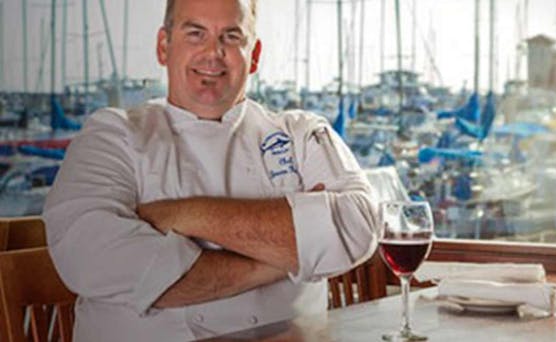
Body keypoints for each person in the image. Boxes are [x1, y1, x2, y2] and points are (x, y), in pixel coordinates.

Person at [42, 0, 379, 340]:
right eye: (195, 33)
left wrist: (185, 214)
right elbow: (93, 258)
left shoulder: (299, 133)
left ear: (255, 54)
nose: (212, 53)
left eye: (231, 37)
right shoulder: (113, 135)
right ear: (163, 46)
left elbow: (360, 224)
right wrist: (290, 257)